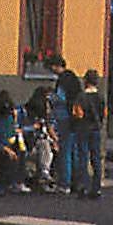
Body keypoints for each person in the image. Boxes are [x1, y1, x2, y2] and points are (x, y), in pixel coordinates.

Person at [72, 69, 107, 198]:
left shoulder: (81, 97)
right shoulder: (100, 97)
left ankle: (83, 186)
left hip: (83, 128)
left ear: (85, 80)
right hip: (96, 129)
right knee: (96, 157)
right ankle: (96, 188)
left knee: (83, 157)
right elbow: (104, 113)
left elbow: (78, 114)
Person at [50, 55, 82, 193]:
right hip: (75, 119)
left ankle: (65, 183)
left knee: (65, 151)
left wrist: (50, 97)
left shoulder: (62, 80)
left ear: (56, 66)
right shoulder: (74, 78)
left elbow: (60, 98)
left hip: (64, 117)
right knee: (75, 150)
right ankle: (77, 182)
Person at [23, 87, 59, 191]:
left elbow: (49, 131)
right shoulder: (25, 113)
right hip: (28, 143)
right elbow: (18, 129)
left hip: (41, 143)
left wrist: (55, 141)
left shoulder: (48, 117)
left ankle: (45, 175)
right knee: (44, 144)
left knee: (46, 145)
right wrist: (32, 128)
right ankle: (44, 173)